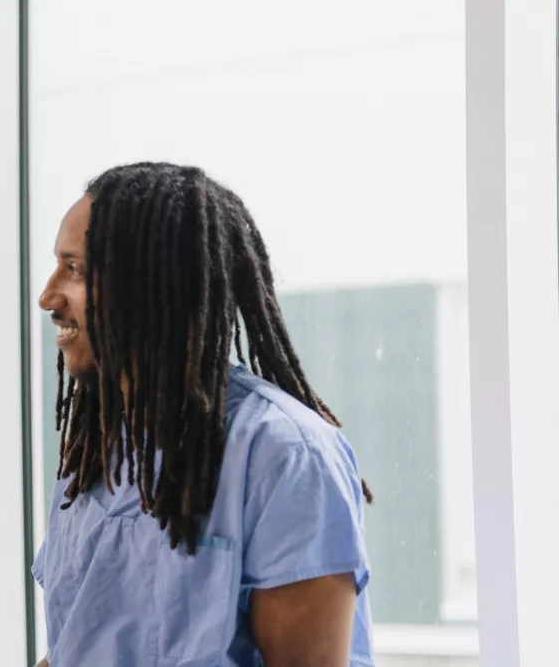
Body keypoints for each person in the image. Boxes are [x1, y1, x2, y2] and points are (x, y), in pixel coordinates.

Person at [33, 162, 374, 666]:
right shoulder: (96, 455)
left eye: (75, 269)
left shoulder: (284, 454)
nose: (48, 296)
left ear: (150, 284)